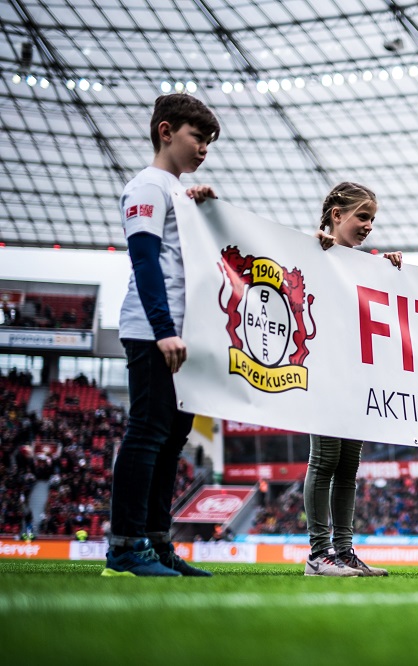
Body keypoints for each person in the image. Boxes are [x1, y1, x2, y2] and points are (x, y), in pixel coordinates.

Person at [103, 93, 220, 577]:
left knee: (172, 439)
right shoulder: (147, 186)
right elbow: (146, 262)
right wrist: (164, 330)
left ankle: (156, 543)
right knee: (148, 432)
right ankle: (125, 548)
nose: (204, 149)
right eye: (199, 137)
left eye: (210, 142)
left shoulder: (177, 193)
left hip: (182, 334)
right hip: (157, 331)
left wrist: (207, 211)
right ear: (166, 131)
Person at [304, 182, 402, 578]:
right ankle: (318, 553)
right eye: (362, 217)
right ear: (336, 215)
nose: (369, 226)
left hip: (355, 375)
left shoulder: (367, 266)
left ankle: (343, 552)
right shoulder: (310, 251)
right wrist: (311, 248)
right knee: (324, 459)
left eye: (373, 219)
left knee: (348, 465)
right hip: (322, 371)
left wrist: (391, 272)